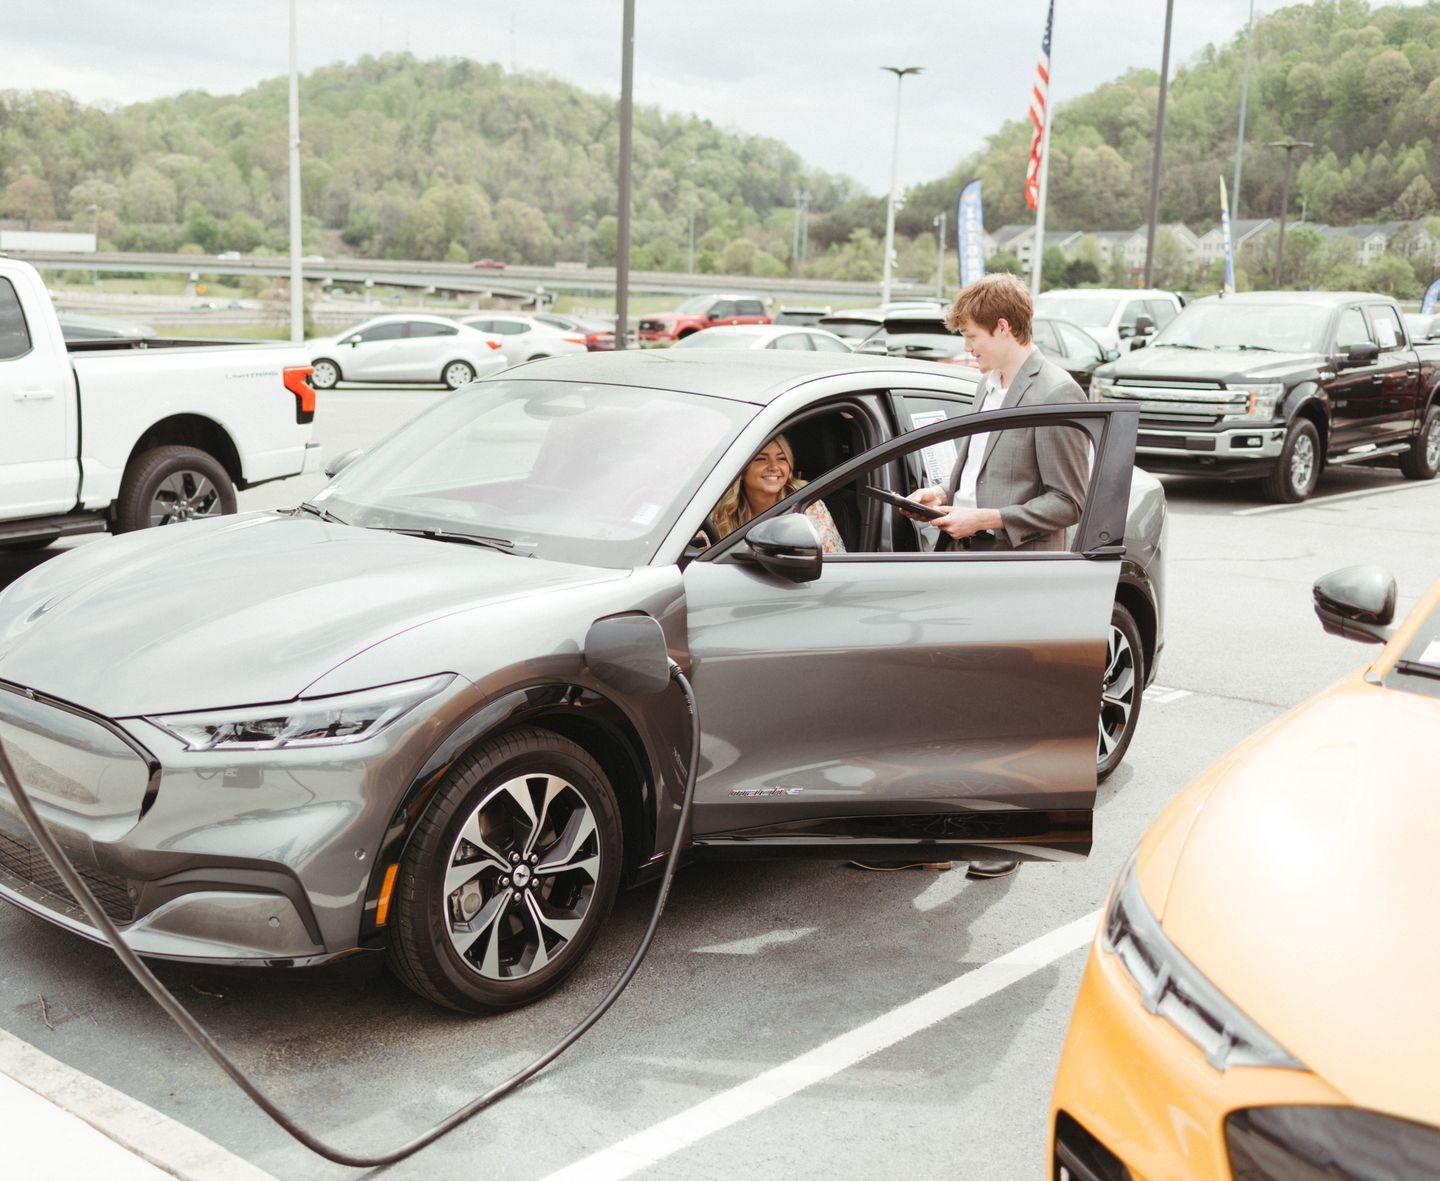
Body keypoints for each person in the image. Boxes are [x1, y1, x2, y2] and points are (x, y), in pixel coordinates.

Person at [854, 273, 1089, 880]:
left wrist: (985, 515)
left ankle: (1000, 842)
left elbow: (1069, 502)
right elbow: (985, 464)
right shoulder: (990, 385)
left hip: (1016, 575)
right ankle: (940, 838)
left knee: (1004, 716)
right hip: (967, 568)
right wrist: (947, 491)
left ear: (1006, 328)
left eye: (975, 337)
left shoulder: (1054, 393)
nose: (969, 349)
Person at [712, 434, 846, 553]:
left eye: (781, 458)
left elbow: (833, 563)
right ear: (741, 471)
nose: (773, 467)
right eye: (761, 459)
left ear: (789, 469)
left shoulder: (807, 505)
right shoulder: (721, 511)